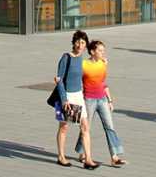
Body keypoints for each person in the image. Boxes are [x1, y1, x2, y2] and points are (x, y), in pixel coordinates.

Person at [75, 40, 126, 167]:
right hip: (88, 100)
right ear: (92, 52)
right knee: (86, 128)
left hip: (102, 99)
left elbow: (103, 83)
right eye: (100, 50)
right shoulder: (83, 64)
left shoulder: (103, 64)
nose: (103, 53)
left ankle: (114, 156)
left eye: (103, 50)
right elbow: (76, 81)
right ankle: (82, 153)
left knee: (110, 127)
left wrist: (110, 100)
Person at [51, 29, 96, 169]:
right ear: (73, 43)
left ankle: (88, 159)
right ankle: (61, 156)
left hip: (78, 95)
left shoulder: (81, 58)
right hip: (67, 97)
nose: (80, 45)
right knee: (64, 127)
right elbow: (59, 80)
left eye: (83, 42)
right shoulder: (66, 57)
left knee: (85, 126)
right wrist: (64, 100)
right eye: (78, 42)